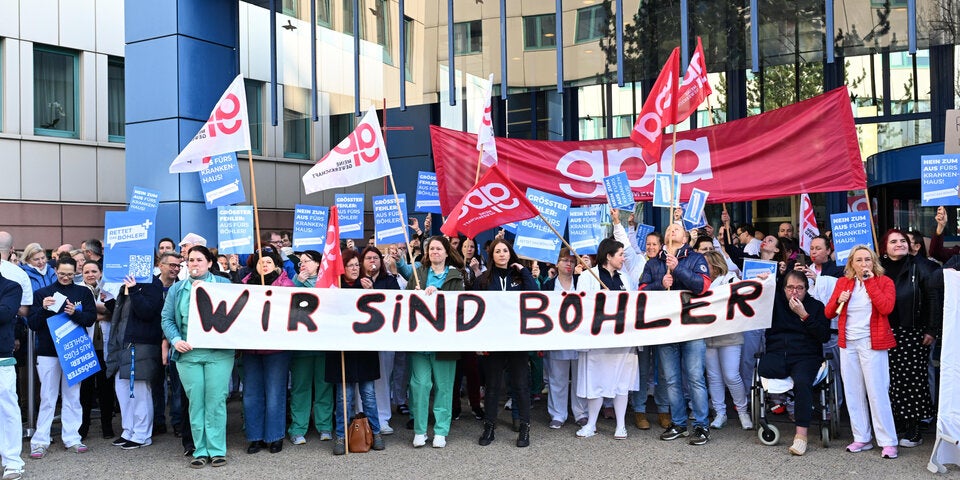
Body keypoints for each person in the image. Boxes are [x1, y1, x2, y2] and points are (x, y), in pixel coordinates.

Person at [161, 246, 234, 468]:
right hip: (188, 354)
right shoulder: (177, 289)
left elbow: (239, 316)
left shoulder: (225, 285)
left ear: (210, 263)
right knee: (196, 402)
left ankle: (217, 449)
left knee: (216, 400)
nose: (194, 264)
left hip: (218, 354)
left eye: (199, 260)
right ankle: (200, 450)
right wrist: (175, 340)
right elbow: (167, 319)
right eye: (190, 260)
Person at [640, 222, 712, 445]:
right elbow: (641, 291)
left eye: (677, 229)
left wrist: (678, 268)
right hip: (666, 330)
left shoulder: (696, 259)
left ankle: (701, 425)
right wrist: (660, 284)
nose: (672, 230)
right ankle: (679, 423)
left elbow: (703, 286)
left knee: (695, 378)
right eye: (669, 228)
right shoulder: (653, 263)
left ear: (685, 238)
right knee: (671, 380)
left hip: (692, 328)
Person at [824, 245, 899, 459]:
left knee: (877, 392)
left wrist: (870, 282)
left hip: (872, 342)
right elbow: (828, 312)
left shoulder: (884, 282)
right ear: (851, 264)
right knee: (853, 392)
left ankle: (888, 441)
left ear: (873, 262)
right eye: (859, 260)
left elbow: (886, 308)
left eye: (867, 259)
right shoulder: (843, 283)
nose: (863, 263)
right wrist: (839, 300)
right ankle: (861, 437)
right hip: (848, 343)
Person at [28, 256, 96, 458]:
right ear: (55, 271)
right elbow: (33, 323)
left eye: (69, 274)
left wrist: (75, 312)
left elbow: (90, 320)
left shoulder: (83, 292)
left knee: (73, 396)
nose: (65, 277)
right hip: (48, 352)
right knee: (47, 397)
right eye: (61, 273)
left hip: (74, 350)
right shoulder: (42, 294)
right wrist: (43, 308)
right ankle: (40, 441)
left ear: (76, 272)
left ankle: (72, 437)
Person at [760, 270, 830, 456]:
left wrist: (804, 315)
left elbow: (823, 336)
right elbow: (753, 297)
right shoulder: (774, 304)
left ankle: (801, 436)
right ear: (783, 289)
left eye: (800, 288)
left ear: (807, 289)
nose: (794, 292)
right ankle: (778, 403)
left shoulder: (815, 306)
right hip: (778, 353)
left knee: (802, 382)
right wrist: (761, 281)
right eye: (790, 287)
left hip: (805, 355)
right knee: (764, 368)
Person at [475, 239, 538, 448]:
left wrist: (524, 271)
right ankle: (489, 427)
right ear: (491, 255)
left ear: (510, 254)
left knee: (521, 385)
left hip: (517, 339)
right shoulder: (483, 279)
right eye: (497, 251)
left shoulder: (519, 278)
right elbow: (476, 310)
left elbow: (535, 294)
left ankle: (525, 428)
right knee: (492, 386)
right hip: (494, 340)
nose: (502, 254)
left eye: (505, 251)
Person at [575, 237, 640, 441]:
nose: (623, 258)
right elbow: (580, 304)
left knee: (622, 382)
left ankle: (621, 425)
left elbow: (632, 303)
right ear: (608, 256)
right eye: (620, 254)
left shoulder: (625, 278)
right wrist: (598, 299)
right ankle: (591, 424)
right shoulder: (588, 277)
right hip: (598, 340)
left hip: (622, 339)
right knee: (596, 382)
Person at [878, 228, 936, 448]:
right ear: (886, 246)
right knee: (890, 380)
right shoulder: (877, 268)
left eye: (903, 240)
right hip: (884, 331)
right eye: (894, 241)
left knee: (913, 381)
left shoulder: (921, 266)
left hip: (913, 332)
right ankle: (898, 423)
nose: (899, 244)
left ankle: (914, 428)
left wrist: (931, 329)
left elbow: (932, 299)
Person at [404, 236, 463, 449]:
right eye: (431, 249)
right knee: (419, 385)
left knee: (444, 386)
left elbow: (461, 306)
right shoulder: (418, 274)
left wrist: (441, 296)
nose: (435, 252)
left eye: (439, 249)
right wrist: (415, 295)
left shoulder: (457, 276)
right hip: (420, 340)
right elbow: (405, 303)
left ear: (447, 253)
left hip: (446, 341)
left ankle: (440, 431)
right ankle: (420, 430)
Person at [326, 249, 385, 455]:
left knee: (368, 394)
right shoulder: (335, 288)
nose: (354, 268)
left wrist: (371, 289)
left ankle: (375, 432)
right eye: (349, 265)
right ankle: (342, 436)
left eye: (356, 265)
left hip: (363, 349)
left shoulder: (366, 285)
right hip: (342, 351)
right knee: (344, 396)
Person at [241, 250, 293, 455]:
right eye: (261, 261)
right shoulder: (245, 285)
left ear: (276, 264)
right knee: (251, 394)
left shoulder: (286, 285)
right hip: (251, 347)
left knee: (274, 392)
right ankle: (255, 437)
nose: (264, 264)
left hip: (276, 348)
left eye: (269, 261)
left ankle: (274, 436)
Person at [105, 273, 164, 450]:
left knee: (138, 391)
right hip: (123, 343)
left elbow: (146, 312)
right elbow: (123, 314)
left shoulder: (152, 282)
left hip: (140, 344)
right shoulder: (125, 283)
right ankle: (128, 430)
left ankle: (141, 434)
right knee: (123, 390)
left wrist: (134, 290)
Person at [287, 249, 334, 446]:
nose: (302, 264)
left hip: (324, 346)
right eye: (300, 262)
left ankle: (325, 426)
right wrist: (297, 281)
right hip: (301, 348)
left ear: (318, 264)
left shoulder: (329, 284)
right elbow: (286, 303)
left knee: (324, 388)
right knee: (300, 389)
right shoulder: (293, 282)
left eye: (306, 261)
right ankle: (298, 428)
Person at [702, 251, 753, 430]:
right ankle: (720, 413)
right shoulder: (701, 283)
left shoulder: (730, 279)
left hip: (729, 334)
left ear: (715, 265)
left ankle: (742, 411)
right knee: (714, 377)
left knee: (731, 375)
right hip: (708, 334)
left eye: (705, 264)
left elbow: (746, 293)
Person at [541, 248, 588, 430]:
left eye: (571, 261)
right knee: (557, 378)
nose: (568, 264)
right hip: (557, 337)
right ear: (556, 263)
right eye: (564, 260)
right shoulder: (549, 285)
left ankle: (581, 413)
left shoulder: (582, 282)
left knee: (579, 377)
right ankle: (557, 414)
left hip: (579, 336)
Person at [357, 247, 401, 436]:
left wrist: (372, 290)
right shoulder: (355, 280)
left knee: (382, 379)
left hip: (384, 338)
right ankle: (361, 417)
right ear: (362, 262)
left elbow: (395, 304)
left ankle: (382, 418)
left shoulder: (389, 281)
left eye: (376, 257)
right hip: (361, 338)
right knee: (362, 377)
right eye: (368, 258)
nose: (372, 260)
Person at [77, 261, 116, 440]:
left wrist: (90, 313)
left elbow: (114, 311)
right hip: (86, 346)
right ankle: (83, 426)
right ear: (82, 273)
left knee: (106, 388)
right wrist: (99, 313)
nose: (90, 274)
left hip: (104, 346)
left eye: (94, 271)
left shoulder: (109, 289)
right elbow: (79, 314)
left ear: (100, 273)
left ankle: (107, 425)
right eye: (87, 272)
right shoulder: (77, 290)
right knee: (85, 389)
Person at [0, 272, 25, 480]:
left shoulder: (11, 287)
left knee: (8, 410)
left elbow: (5, 314)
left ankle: (12, 462)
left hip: (1, 359)